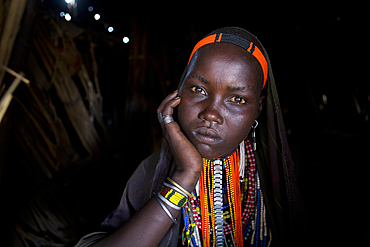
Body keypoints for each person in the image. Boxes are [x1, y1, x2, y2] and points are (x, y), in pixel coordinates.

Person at [75, 27, 306, 247]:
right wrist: (184, 178)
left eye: (237, 99)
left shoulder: (282, 173)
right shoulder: (152, 171)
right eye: (198, 90)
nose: (211, 114)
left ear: (258, 108)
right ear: (178, 93)